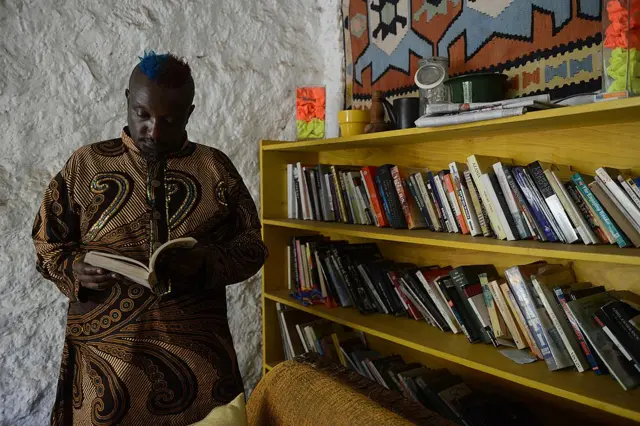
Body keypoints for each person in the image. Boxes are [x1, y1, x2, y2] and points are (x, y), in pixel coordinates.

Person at [32, 51, 268, 425]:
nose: (154, 130)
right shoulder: (86, 165)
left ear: (190, 113)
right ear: (127, 100)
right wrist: (74, 269)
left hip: (200, 364)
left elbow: (252, 246)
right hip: (106, 369)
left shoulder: (214, 168)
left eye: (170, 119)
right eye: (142, 114)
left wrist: (207, 262)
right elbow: (47, 243)